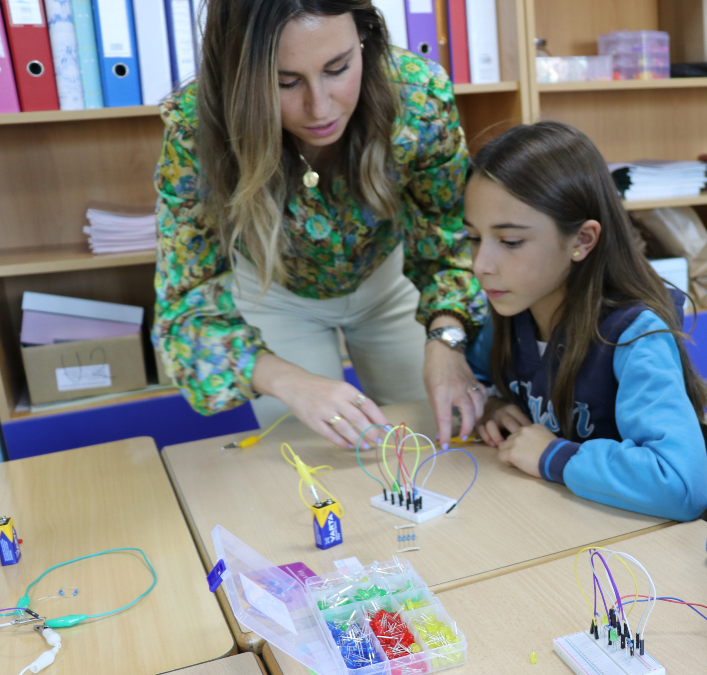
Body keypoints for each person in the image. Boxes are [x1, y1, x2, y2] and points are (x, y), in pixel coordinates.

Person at [152, 0, 488, 450]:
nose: (319, 107)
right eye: (285, 82)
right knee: (312, 456)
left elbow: (449, 243)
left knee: (437, 438)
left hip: (390, 283)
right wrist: (288, 381)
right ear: (240, 79)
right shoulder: (196, 124)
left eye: (338, 67)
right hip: (276, 294)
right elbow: (183, 310)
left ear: (364, 39)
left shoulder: (419, 95)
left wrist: (446, 337)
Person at [460, 122, 707, 522]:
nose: (480, 265)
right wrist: (489, 406)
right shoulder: (511, 306)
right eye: (473, 238)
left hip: (627, 550)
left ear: (581, 240)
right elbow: (470, 376)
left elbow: (683, 485)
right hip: (547, 522)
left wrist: (554, 456)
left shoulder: (634, 337)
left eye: (510, 242)